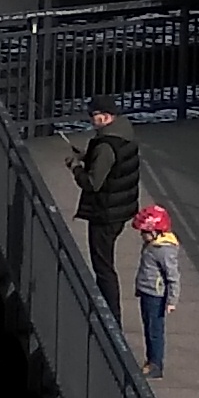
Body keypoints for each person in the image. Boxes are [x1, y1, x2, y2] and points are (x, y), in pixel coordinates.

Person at [76, 106, 146, 296]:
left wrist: (76, 168)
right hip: (122, 209)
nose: (91, 119)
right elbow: (116, 165)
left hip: (105, 212)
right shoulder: (125, 134)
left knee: (103, 267)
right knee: (105, 262)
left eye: (94, 115)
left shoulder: (105, 146)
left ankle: (110, 316)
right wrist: (88, 157)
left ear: (106, 117)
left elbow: (92, 183)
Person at [130, 205, 183, 377]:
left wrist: (172, 300)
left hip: (155, 295)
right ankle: (151, 359)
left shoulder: (163, 251)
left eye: (145, 232)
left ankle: (155, 364)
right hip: (147, 292)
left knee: (154, 330)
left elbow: (173, 276)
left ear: (156, 232)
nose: (142, 235)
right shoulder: (153, 245)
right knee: (149, 327)